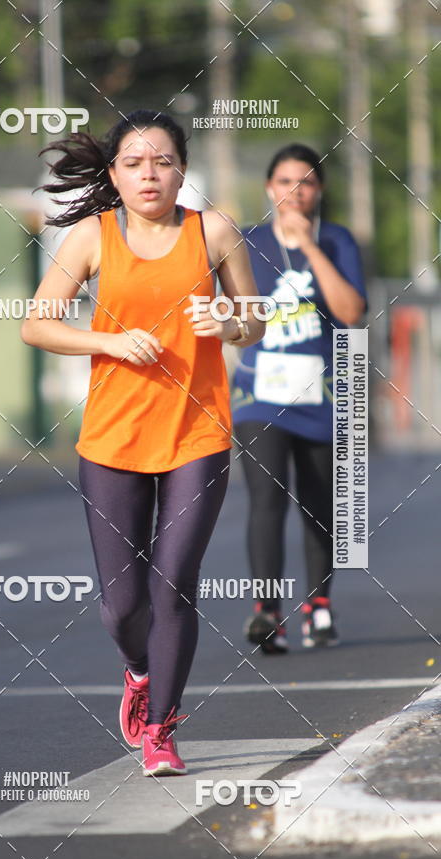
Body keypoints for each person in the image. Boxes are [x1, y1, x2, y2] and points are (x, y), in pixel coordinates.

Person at [22, 109, 264, 775]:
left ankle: (161, 728)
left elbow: (254, 320)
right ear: (114, 174)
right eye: (134, 163)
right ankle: (138, 670)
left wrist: (228, 322)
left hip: (198, 433)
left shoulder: (212, 230)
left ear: (182, 169)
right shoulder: (93, 238)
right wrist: (106, 340)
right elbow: (37, 326)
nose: (149, 174)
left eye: (161, 161)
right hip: (112, 438)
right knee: (123, 605)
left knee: (174, 586)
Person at [231, 144, 367, 654]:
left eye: (306, 181)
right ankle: (267, 611)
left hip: (325, 392)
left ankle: (318, 605)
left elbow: (351, 312)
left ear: (319, 191)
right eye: (285, 180)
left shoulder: (336, 240)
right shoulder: (246, 241)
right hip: (259, 393)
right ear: (269, 187)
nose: (295, 190)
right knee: (267, 500)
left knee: (320, 503)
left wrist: (309, 249)